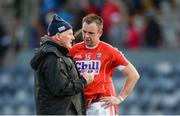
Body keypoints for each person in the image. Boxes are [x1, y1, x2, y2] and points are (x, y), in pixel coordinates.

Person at [70, 13, 140, 115]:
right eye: (84, 32)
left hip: (101, 105)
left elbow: (133, 75)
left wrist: (120, 98)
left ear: (100, 32)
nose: (86, 36)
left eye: (91, 33)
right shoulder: (74, 50)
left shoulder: (110, 51)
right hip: (80, 104)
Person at [30, 14, 94, 115]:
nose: (73, 37)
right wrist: (84, 81)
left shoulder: (58, 54)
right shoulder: (52, 57)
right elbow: (62, 89)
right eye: (69, 34)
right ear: (59, 36)